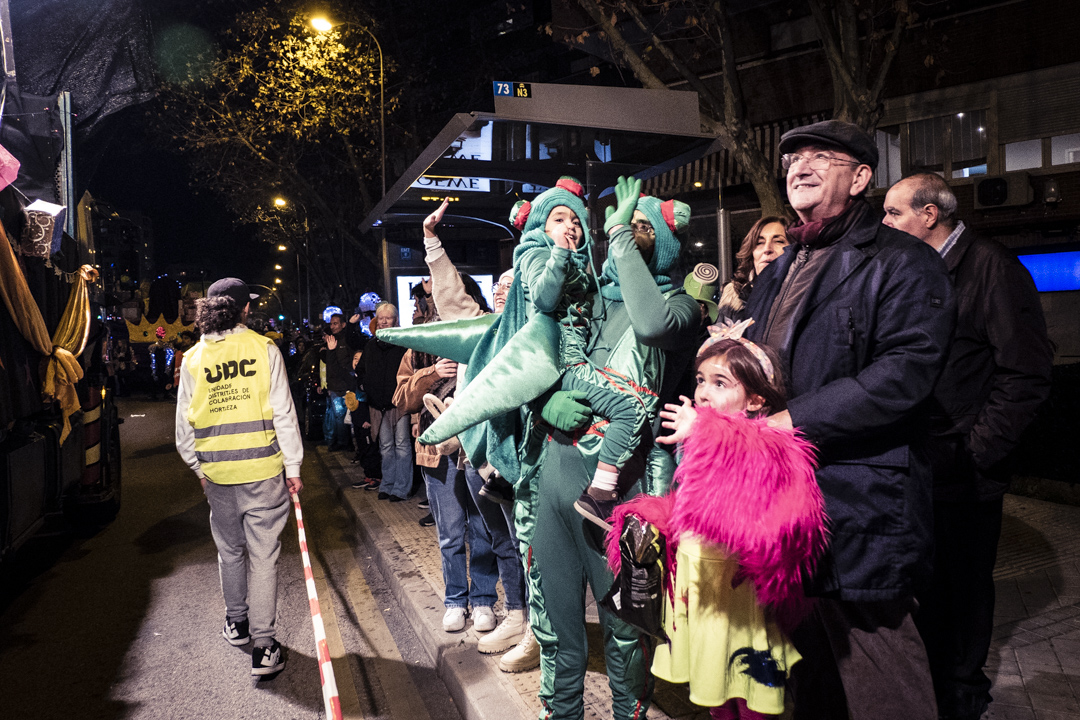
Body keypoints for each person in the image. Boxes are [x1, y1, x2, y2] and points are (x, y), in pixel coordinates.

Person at [740, 119, 956, 720]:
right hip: (784, 500)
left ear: (861, 177)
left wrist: (790, 421)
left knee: (880, 667)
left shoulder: (903, 261)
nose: (799, 168)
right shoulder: (784, 266)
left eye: (820, 158)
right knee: (810, 671)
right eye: (791, 161)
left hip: (858, 499)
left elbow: (905, 374)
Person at [882, 173, 1053, 720]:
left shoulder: (991, 268)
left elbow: (1025, 375)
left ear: (929, 215)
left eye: (892, 213)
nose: (883, 224)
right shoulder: (911, 270)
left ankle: (961, 699)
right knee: (926, 590)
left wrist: (975, 452)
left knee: (964, 592)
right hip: (920, 463)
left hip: (964, 469)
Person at [610, 327, 826, 720]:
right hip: (703, 596)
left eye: (719, 382)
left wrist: (708, 436)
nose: (702, 392)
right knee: (714, 693)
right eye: (700, 380)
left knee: (753, 697)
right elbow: (697, 507)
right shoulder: (698, 445)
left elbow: (749, 509)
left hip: (739, 605)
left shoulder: (769, 445)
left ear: (756, 398)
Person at [420, 202, 535, 669]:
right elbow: (451, 297)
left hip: (519, 458)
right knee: (500, 538)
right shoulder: (482, 329)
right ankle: (518, 612)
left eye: (514, 287)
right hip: (476, 459)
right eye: (500, 288)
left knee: (527, 542)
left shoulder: (533, 333)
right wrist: (432, 242)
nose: (505, 293)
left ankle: (537, 623)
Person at [174, 277, 304, 677]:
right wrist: (293, 466)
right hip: (264, 471)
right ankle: (265, 648)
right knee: (263, 557)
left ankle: (237, 624)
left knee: (230, 552)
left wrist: (199, 468)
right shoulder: (264, 349)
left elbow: (183, 428)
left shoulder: (193, 358)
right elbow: (283, 412)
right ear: (245, 309)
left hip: (217, 476)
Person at [363, 303, 410, 500]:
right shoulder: (370, 345)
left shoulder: (403, 344)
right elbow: (363, 372)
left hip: (399, 404)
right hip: (378, 406)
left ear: (395, 320)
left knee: (402, 446)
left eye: (387, 317)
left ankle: (401, 488)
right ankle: (387, 484)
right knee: (386, 447)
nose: (383, 321)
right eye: (380, 317)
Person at [718, 217, 790, 321]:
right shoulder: (735, 294)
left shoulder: (803, 293)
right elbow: (719, 334)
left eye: (778, 241)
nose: (767, 249)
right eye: (759, 243)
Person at [321, 313, 360, 452]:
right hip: (335, 385)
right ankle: (342, 442)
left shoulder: (347, 340)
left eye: (335, 323)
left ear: (343, 324)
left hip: (347, 384)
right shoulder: (330, 340)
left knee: (348, 416)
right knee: (338, 416)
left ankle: (347, 442)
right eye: (331, 324)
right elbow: (329, 365)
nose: (332, 326)